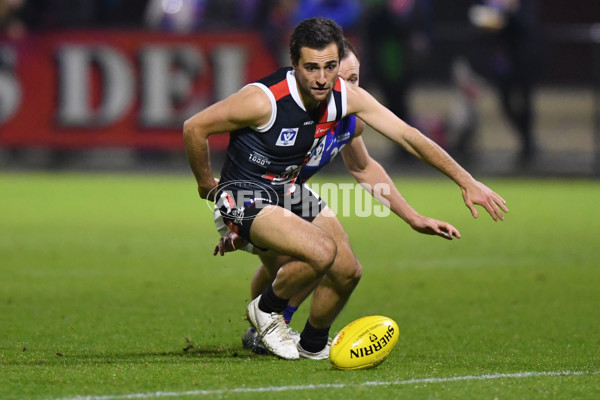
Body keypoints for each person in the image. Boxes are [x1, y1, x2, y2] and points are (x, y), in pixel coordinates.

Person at [183, 17, 507, 361]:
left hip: (287, 189)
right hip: (243, 193)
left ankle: (312, 345)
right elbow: (194, 127)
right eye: (311, 68)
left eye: (331, 68)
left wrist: (465, 181)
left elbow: (407, 137)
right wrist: (207, 186)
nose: (323, 78)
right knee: (318, 252)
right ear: (294, 65)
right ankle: (267, 312)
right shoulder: (263, 100)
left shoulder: (345, 103)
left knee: (347, 270)